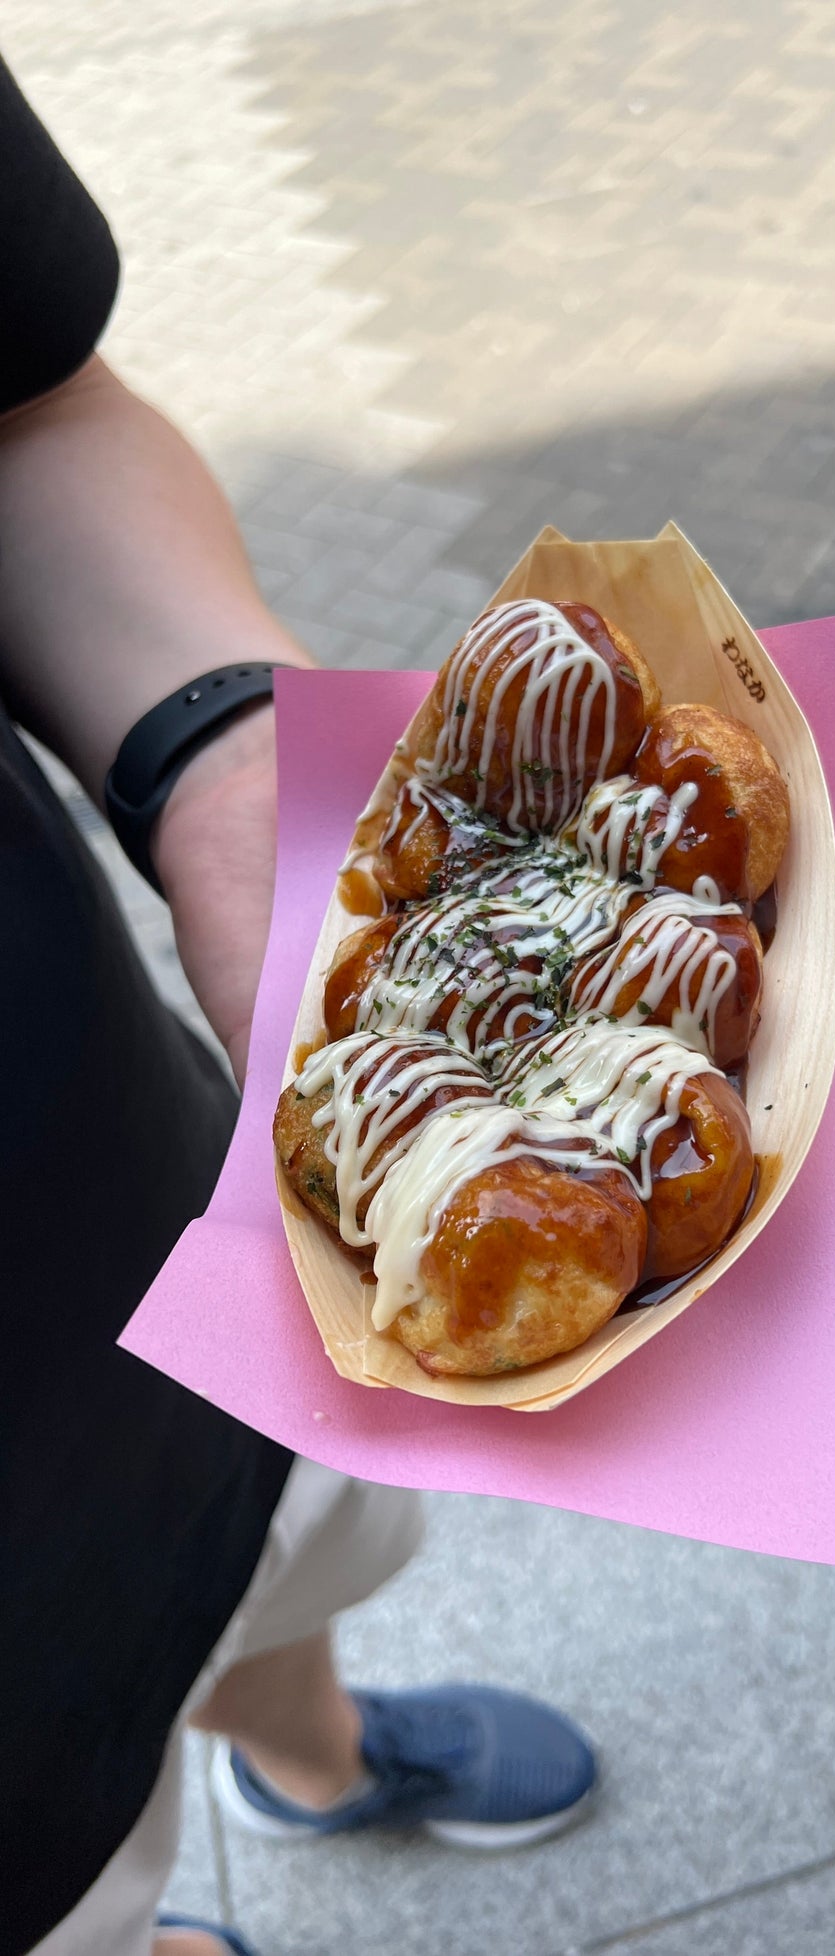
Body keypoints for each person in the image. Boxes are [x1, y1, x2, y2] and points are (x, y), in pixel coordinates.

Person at [0, 56, 596, 1956]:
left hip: (131, 1206)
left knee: (262, 1557)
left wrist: (221, 751)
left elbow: (27, 409)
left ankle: (316, 1762)